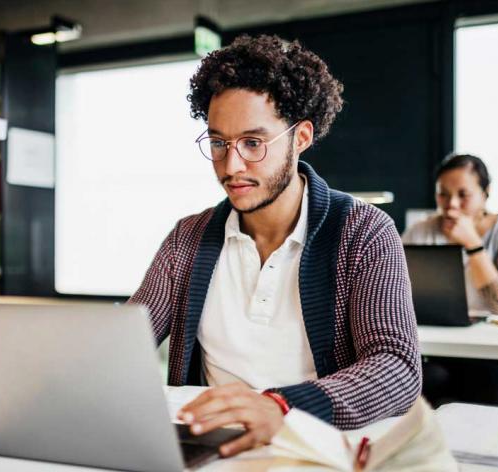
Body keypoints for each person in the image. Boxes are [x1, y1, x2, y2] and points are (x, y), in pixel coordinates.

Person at [128, 34, 421, 457]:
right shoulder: (187, 238)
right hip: (212, 454)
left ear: (300, 137)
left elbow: (397, 369)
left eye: (253, 143)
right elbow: (128, 338)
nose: (231, 166)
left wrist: (281, 407)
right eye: (218, 143)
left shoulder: (363, 231)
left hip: (315, 451)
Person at [403, 153, 498, 407]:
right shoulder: (420, 231)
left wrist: (472, 244)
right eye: (443, 194)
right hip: (439, 345)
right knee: (419, 382)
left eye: (463, 195)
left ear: (485, 193)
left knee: (490, 383)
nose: (451, 204)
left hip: (497, 350)